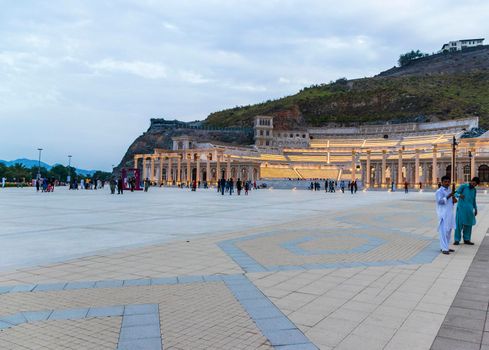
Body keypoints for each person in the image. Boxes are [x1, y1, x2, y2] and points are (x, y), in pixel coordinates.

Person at [454, 177, 480, 245]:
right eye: (473, 183)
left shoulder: (474, 190)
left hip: (469, 210)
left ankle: (467, 239)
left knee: (469, 225)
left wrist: (476, 209)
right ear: (471, 181)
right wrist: (459, 195)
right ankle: (457, 240)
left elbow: (474, 200)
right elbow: (455, 193)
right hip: (461, 209)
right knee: (459, 224)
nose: (474, 185)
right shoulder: (463, 186)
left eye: (475, 185)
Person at [436, 176, 455, 255]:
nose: (447, 183)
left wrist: (454, 199)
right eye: (445, 182)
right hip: (443, 214)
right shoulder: (439, 191)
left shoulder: (449, 189)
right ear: (442, 182)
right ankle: (444, 248)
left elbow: (450, 201)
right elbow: (440, 201)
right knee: (443, 231)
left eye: (448, 182)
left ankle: (446, 246)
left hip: (449, 213)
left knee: (448, 231)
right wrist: (449, 195)